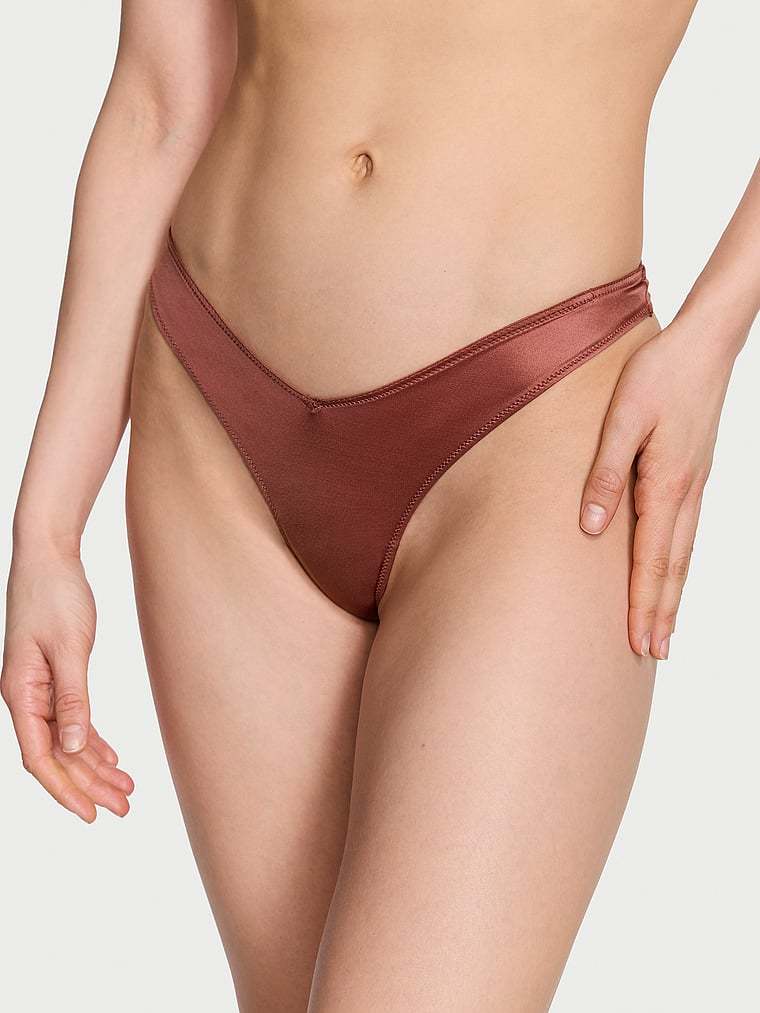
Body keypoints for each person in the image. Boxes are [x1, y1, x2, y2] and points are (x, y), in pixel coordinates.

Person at [2, 2, 757, 1009]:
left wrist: (715, 333)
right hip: (215, 422)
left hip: (536, 423)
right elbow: (158, 94)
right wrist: (48, 527)